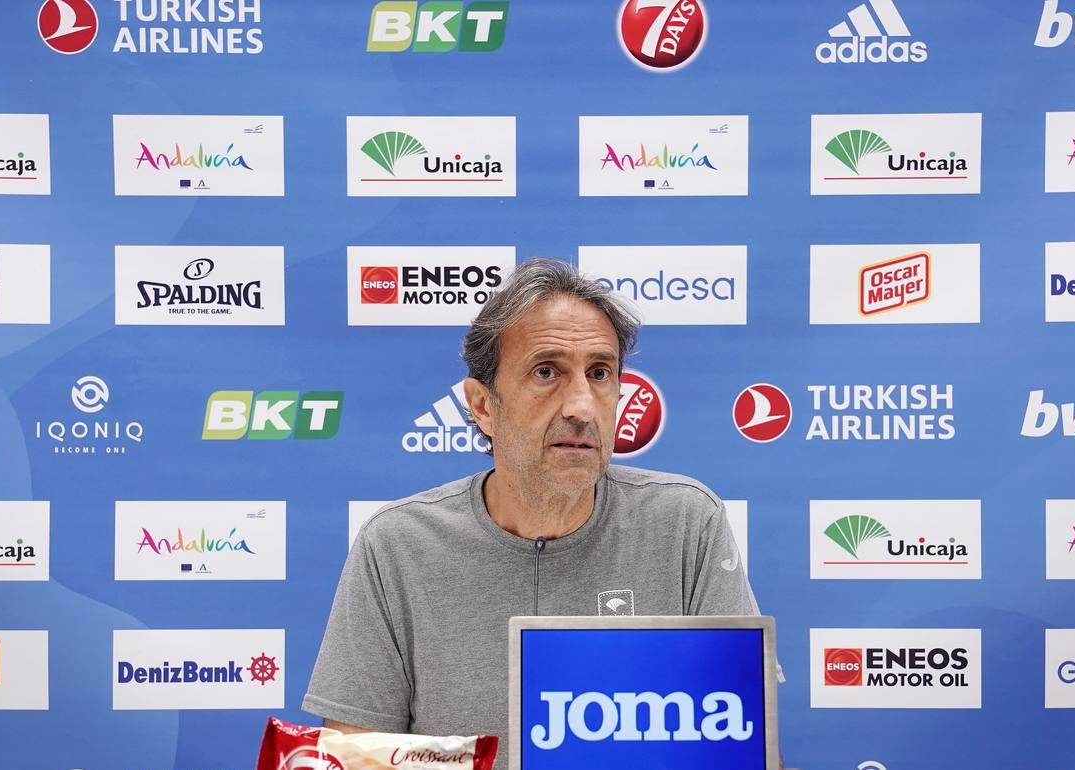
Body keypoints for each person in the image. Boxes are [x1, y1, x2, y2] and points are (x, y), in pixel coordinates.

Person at [303, 258, 773, 764]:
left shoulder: (687, 523)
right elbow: (354, 757)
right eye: (546, 372)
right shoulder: (395, 545)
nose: (581, 406)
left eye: (600, 373)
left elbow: (741, 751)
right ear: (483, 405)